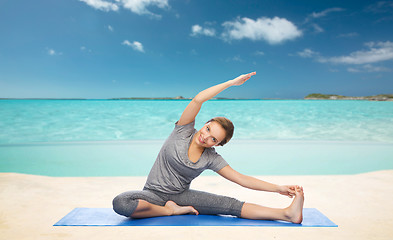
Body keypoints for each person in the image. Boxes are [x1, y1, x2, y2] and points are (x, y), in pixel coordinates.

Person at [112, 72, 304, 223]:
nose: (205, 137)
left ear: (218, 144)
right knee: (121, 203)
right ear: (205, 123)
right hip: (151, 193)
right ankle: (168, 211)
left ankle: (287, 214)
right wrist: (230, 83)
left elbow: (241, 179)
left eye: (213, 139)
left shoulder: (211, 158)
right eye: (207, 129)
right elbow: (198, 100)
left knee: (230, 205)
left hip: (182, 196)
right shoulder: (183, 131)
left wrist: (277, 188)